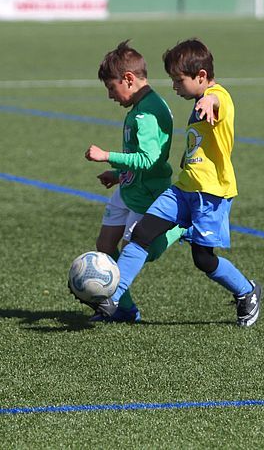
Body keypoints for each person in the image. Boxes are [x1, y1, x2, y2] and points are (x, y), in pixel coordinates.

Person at [81, 39, 262, 327]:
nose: (175, 87)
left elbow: (218, 101)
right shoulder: (194, 104)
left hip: (210, 194)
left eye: (179, 81)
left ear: (201, 76)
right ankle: (113, 295)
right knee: (141, 234)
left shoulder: (218, 97)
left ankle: (247, 292)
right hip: (183, 188)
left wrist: (209, 99)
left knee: (203, 259)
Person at [83, 40, 187, 323]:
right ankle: (125, 309)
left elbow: (149, 160)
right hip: (129, 188)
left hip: (147, 195)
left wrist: (107, 157)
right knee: (104, 246)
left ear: (128, 79)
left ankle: (177, 229)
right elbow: (137, 160)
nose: (110, 96)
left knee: (139, 250)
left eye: (111, 88)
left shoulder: (147, 114)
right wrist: (118, 175)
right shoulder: (141, 108)